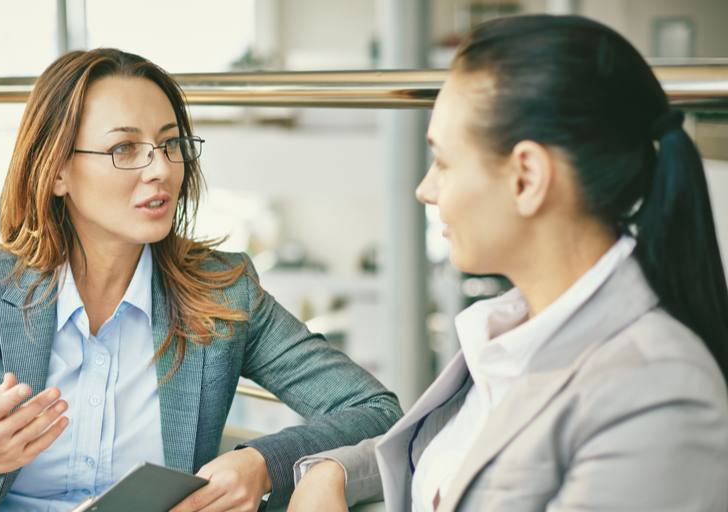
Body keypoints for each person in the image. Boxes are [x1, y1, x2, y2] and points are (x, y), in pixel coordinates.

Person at [0, 48, 401, 512]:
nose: (161, 168)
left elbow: (376, 411)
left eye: (170, 144)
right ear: (56, 172)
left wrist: (262, 463)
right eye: (125, 149)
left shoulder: (223, 292)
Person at [288, 14, 728, 512]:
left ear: (526, 178)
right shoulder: (515, 331)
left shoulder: (657, 396)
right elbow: (460, 458)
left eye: (444, 162)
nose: (425, 189)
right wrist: (334, 472)